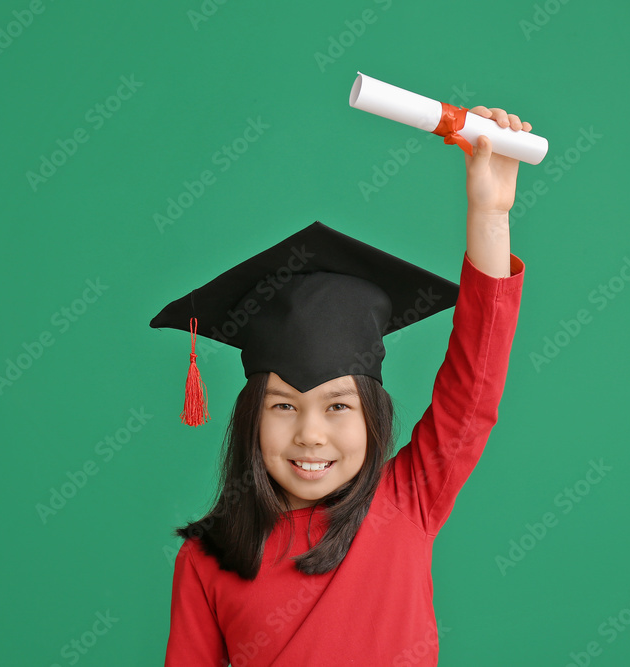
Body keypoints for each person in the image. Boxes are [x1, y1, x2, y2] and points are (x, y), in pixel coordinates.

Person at [150, 106, 532, 665]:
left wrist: (490, 214)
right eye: (284, 405)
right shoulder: (206, 559)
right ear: (251, 415)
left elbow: (474, 386)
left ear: (372, 414)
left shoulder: (406, 501)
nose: (310, 434)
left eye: (337, 406)